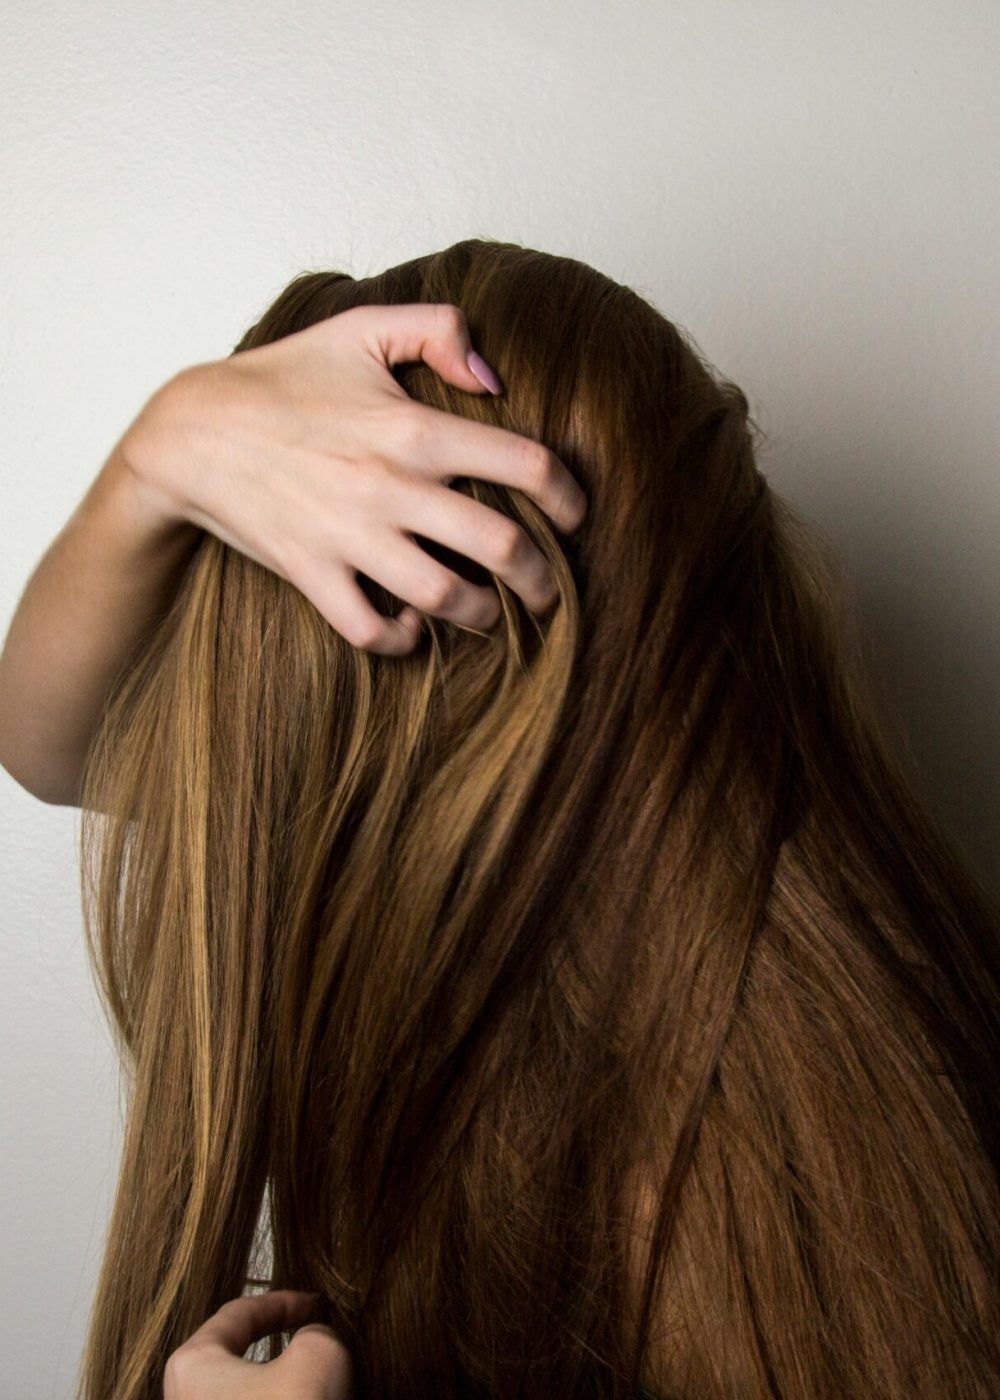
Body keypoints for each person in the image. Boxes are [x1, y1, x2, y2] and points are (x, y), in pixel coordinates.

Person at [2, 239, 998, 1400]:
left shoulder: (722, 1251)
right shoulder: (846, 1071)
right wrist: (161, 457)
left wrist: (165, 459)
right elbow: (45, 742)